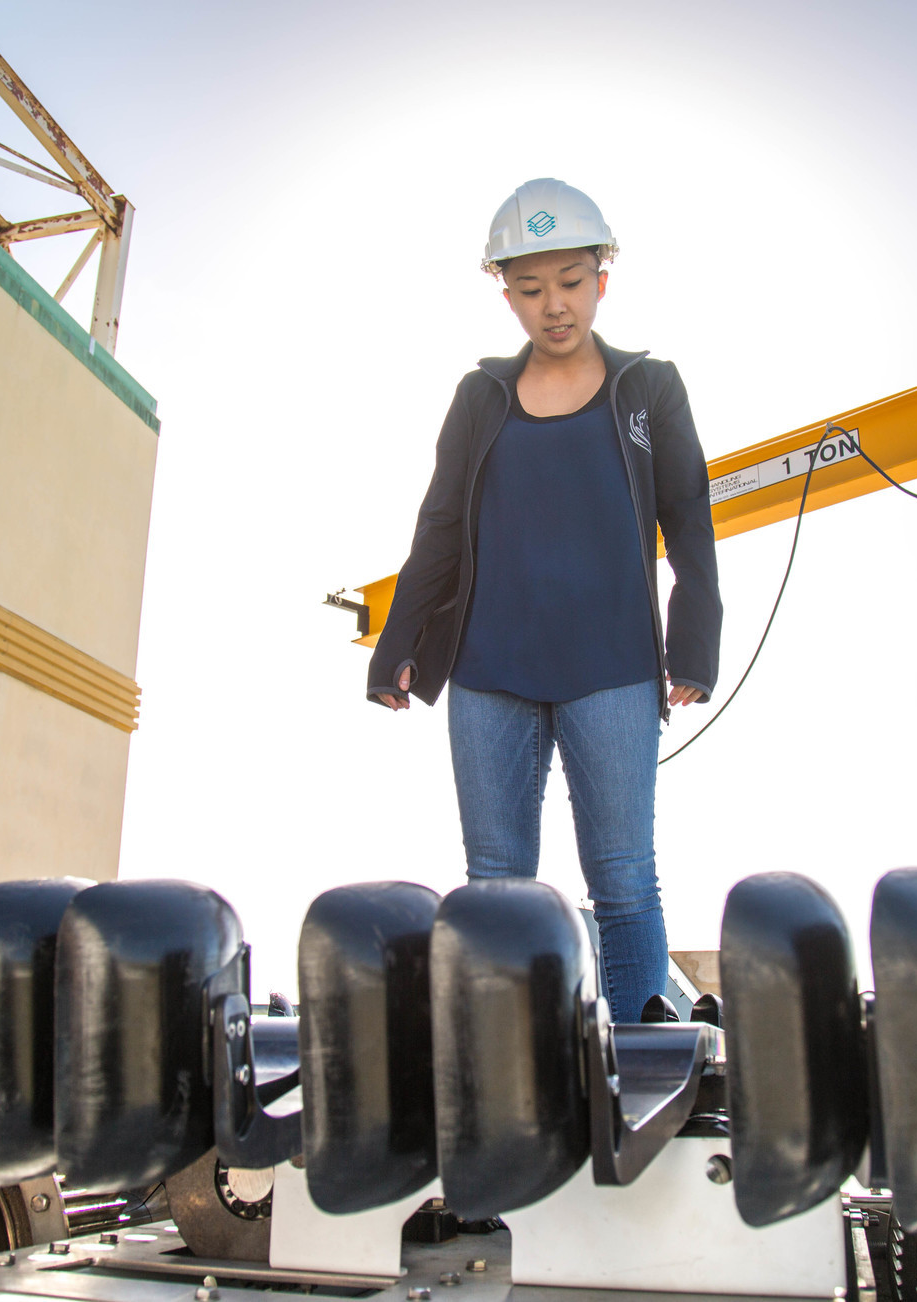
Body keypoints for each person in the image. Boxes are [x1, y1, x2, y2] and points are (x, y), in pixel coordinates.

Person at [366, 178, 722, 1023]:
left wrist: (694, 646)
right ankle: (505, 1065)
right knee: (495, 888)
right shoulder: (479, 395)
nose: (552, 305)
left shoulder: (649, 388)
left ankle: (646, 1066)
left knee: (624, 879)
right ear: (506, 292)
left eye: (569, 279)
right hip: (490, 671)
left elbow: (691, 523)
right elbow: (440, 526)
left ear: (603, 275)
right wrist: (398, 643)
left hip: (614, 668)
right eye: (529, 288)